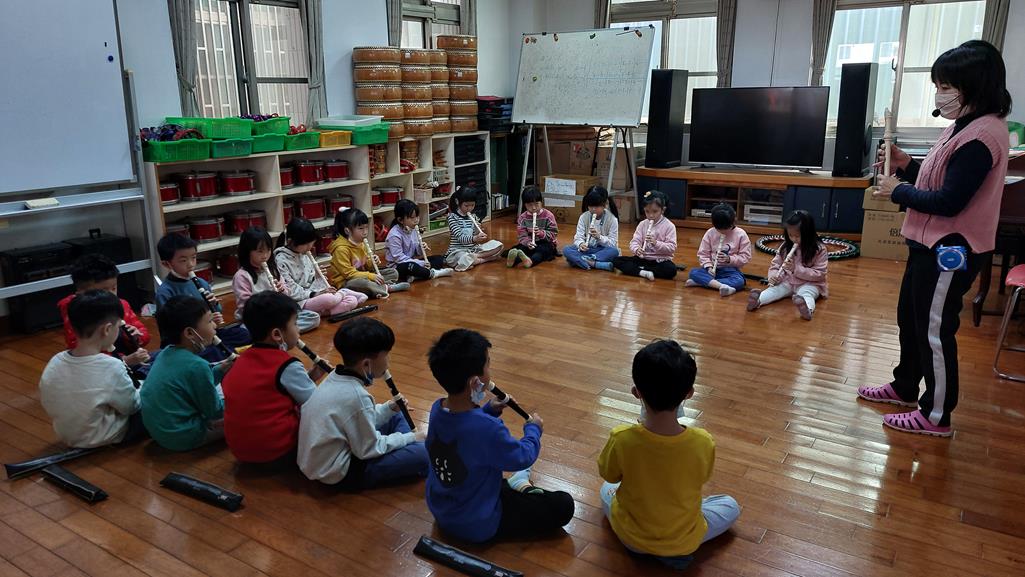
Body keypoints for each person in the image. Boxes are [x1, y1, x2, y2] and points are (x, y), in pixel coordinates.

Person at [857, 40, 1011, 437]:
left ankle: (936, 415)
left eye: (946, 86)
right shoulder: (962, 126)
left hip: (951, 248)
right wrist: (907, 165)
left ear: (974, 85)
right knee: (910, 320)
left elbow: (948, 201)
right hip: (926, 243)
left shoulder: (982, 136)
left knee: (934, 331)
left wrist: (898, 191)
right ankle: (905, 387)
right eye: (938, 85)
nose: (940, 94)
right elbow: (938, 178)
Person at [598, 340, 739, 571]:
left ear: (636, 392)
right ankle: (673, 552)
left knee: (606, 489)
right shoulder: (703, 442)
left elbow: (609, 475)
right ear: (689, 393)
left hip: (633, 539)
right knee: (730, 505)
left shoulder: (622, 438)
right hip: (684, 538)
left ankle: (652, 548)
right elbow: (702, 478)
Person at [424, 328, 575, 542]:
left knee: (485, 471)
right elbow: (522, 457)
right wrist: (533, 430)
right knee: (563, 505)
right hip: (478, 523)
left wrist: (489, 409)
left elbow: (465, 434)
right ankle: (521, 485)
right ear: (475, 382)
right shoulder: (488, 429)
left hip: (444, 510)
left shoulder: (437, 409)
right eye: (488, 365)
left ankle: (517, 485)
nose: (490, 370)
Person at [297, 317, 428, 488]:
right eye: (386, 356)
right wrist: (410, 437)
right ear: (366, 364)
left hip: (321, 458)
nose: (388, 361)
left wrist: (389, 408)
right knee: (422, 454)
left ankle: (407, 441)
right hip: (335, 472)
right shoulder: (356, 396)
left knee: (396, 414)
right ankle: (411, 443)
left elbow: (357, 417)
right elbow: (368, 449)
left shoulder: (335, 376)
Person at [222, 291, 327, 465]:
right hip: (277, 452)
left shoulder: (241, 360)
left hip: (241, 452)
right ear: (277, 335)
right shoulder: (287, 365)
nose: (298, 329)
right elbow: (316, 404)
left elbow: (272, 391)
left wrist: (311, 377)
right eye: (295, 323)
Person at [39, 290, 145, 447]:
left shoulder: (55, 361)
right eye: (118, 326)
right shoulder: (111, 366)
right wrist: (144, 387)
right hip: (105, 436)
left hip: (67, 434)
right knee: (158, 396)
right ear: (107, 329)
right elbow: (131, 407)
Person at [141, 295, 232, 451]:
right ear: (190, 333)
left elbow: (195, 384)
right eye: (209, 321)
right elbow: (215, 412)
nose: (214, 326)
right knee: (245, 415)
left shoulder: (166, 352)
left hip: (161, 433)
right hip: (184, 435)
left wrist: (221, 369)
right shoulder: (197, 366)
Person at [154, 233, 250, 355]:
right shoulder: (165, 292)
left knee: (243, 335)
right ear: (166, 264)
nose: (191, 264)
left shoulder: (201, 283)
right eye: (183, 260)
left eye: (193, 258)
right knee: (215, 352)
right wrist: (204, 325)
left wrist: (213, 306)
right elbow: (169, 330)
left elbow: (216, 312)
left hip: (208, 334)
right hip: (187, 342)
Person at [56, 253, 151, 372]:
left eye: (114, 288)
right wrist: (125, 360)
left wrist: (136, 337)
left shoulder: (122, 305)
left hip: (128, 359)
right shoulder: (76, 312)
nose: (112, 295)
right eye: (103, 291)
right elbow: (83, 353)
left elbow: (144, 334)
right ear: (81, 292)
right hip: (101, 369)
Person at [232, 226, 320, 333]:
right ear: (247, 251)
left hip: (277, 316)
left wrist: (282, 291)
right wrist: (268, 301)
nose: (265, 256)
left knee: (313, 317)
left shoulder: (273, 269)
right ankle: (283, 331)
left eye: (268, 250)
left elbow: (287, 293)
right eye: (260, 251)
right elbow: (245, 307)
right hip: (256, 319)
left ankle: (276, 332)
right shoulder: (242, 276)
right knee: (245, 331)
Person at [274, 218, 369, 316]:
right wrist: (315, 294)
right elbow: (291, 290)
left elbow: (309, 281)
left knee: (352, 301)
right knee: (329, 299)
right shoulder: (281, 260)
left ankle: (322, 312)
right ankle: (343, 293)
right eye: (306, 244)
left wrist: (317, 277)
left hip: (313, 296)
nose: (310, 247)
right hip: (299, 302)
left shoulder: (303, 254)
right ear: (290, 241)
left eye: (311, 243)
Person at [747, 211, 827, 320]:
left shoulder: (819, 249)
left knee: (806, 294)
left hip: (810, 283)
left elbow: (820, 274)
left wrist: (795, 269)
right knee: (774, 290)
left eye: (797, 236)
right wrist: (773, 276)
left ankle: (807, 309)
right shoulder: (785, 246)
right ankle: (757, 301)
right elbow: (776, 264)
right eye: (790, 235)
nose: (793, 239)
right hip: (788, 280)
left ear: (808, 233)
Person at [328, 208, 410, 299]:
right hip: (346, 282)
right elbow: (348, 274)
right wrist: (370, 276)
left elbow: (366, 266)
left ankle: (376, 288)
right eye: (361, 228)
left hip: (362, 275)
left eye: (366, 227)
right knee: (362, 283)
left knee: (393, 272)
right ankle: (387, 288)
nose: (365, 232)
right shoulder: (341, 249)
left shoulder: (361, 243)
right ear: (347, 231)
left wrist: (372, 261)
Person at [686, 204, 752, 296]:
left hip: (730, 270)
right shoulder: (710, 233)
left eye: (726, 228)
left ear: (733, 222)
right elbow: (703, 254)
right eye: (718, 229)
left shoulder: (741, 234)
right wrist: (708, 266)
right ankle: (720, 286)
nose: (722, 232)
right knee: (693, 272)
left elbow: (745, 257)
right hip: (711, 269)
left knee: (739, 281)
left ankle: (702, 282)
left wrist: (729, 259)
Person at [612, 191, 679, 281]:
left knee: (671, 270)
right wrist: (637, 249)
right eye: (647, 211)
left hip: (659, 261)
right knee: (616, 260)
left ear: (662, 210)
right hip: (642, 259)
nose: (651, 215)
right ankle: (643, 272)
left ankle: (638, 270)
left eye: (655, 211)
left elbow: (672, 247)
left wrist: (656, 243)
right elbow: (635, 241)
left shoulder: (669, 226)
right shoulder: (642, 224)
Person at [385, 199, 454, 281]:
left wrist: (420, 247)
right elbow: (399, 259)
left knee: (439, 259)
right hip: (398, 266)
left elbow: (416, 253)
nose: (416, 220)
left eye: (417, 216)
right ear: (400, 220)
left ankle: (416, 276)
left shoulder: (413, 228)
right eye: (412, 218)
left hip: (412, 261)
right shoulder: (394, 235)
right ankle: (434, 273)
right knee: (411, 266)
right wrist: (421, 263)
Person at [444, 185, 504, 271]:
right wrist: (475, 238)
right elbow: (460, 238)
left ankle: (473, 259)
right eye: (466, 205)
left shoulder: (473, 216)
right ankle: (484, 259)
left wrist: (478, 231)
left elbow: (475, 235)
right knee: (463, 257)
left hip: (473, 249)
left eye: (472, 205)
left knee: (498, 245)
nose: (469, 208)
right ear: (457, 202)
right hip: (458, 251)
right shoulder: (452, 217)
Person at [563, 185, 621, 271]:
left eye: (597, 206)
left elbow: (612, 243)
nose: (593, 209)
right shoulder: (584, 217)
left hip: (602, 250)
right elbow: (578, 237)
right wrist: (581, 244)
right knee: (566, 249)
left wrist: (599, 237)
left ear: (605, 204)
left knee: (614, 251)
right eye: (590, 206)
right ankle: (594, 263)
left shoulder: (612, 219)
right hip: (588, 249)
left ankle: (580, 261)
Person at [506, 186, 558, 268]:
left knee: (542, 251)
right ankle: (513, 261)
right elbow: (522, 236)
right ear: (525, 205)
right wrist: (528, 243)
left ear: (541, 202)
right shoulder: (522, 218)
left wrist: (541, 233)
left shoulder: (548, 215)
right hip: (530, 242)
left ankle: (531, 261)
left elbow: (553, 234)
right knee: (520, 248)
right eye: (530, 205)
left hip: (545, 242)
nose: (533, 208)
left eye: (536, 204)